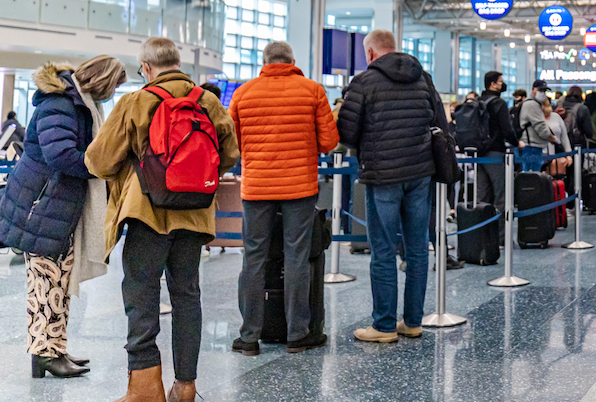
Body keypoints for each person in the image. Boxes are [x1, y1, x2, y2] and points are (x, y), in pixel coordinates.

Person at [85, 38, 239, 402]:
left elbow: (99, 160)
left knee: (141, 295)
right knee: (187, 296)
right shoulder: (209, 102)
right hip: (195, 216)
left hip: (147, 215)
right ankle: (185, 387)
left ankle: (144, 388)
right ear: (177, 63)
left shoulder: (136, 102)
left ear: (147, 68)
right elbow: (229, 155)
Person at [0, 56, 125, 379]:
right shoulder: (62, 104)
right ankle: (43, 353)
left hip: (54, 205)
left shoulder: (73, 102)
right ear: (102, 82)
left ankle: (54, 349)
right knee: (45, 284)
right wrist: (101, 166)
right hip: (42, 206)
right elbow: (60, 155)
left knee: (58, 282)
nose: (111, 94)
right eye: (113, 87)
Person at [336, 29, 449, 343]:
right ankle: (412, 322)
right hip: (420, 173)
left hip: (382, 175)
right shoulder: (423, 78)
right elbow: (440, 122)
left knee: (383, 251)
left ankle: (384, 325)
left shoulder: (364, 83)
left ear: (370, 53)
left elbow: (346, 133)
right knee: (417, 250)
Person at [228, 41, 339, 358]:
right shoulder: (312, 90)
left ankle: (249, 337)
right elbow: (330, 141)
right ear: (293, 60)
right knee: (297, 259)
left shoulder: (243, 93)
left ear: (264, 62)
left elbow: (232, 146)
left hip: (257, 188)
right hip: (299, 188)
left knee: (253, 259)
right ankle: (298, 335)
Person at [474, 71, 522, 210]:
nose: (503, 84)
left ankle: (482, 230)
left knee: (481, 195)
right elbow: (507, 129)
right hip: (495, 152)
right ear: (493, 84)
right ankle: (501, 231)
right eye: (500, 82)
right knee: (501, 194)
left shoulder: (478, 102)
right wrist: (517, 143)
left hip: (479, 153)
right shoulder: (499, 103)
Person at [517, 80, 555, 151]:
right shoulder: (533, 104)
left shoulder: (530, 103)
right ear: (533, 89)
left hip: (529, 145)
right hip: (531, 146)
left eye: (544, 91)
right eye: (540, 90)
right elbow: (540, 126)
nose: (542, 93)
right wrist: (551, 138)